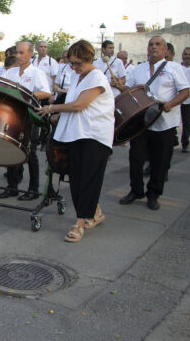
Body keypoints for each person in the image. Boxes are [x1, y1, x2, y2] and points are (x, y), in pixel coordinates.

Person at [37, 39, 114, 242]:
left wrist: (52, 108)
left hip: (94, 135)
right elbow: (73, 105)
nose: (73, 67)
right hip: (76, 133)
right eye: (71, 63)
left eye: (78, 63)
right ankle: (95, 211)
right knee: (78, 177)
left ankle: (80, 223)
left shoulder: (96, 77)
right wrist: (58, 115)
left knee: (87, 178)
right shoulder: (77, 75)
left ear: (89, 59)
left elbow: (79, 105)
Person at [119, 36, 190, 210]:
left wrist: (170, 104)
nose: (153, 47)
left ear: (166, 50)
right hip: (141, 122)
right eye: (150, 44)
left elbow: (185, 91)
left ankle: (153, 194)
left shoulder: (174, 68)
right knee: (136, 158)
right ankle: (136, 190)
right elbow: (130, 90)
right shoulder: (139, 69)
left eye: (158, 45)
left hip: (164, 122)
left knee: (160, 161)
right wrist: (121, 87)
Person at [0, 41, 51, 200]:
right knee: (10, 150)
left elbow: (46, 92)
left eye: (22, 53)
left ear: (30, 54)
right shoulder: (11, 72)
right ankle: (12, 186)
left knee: (30, 152)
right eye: (17, 53)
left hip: (29, 117)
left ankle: (33, 189)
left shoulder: (36, 73)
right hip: (12, 116)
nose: (18, 56)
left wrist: (27, 96)